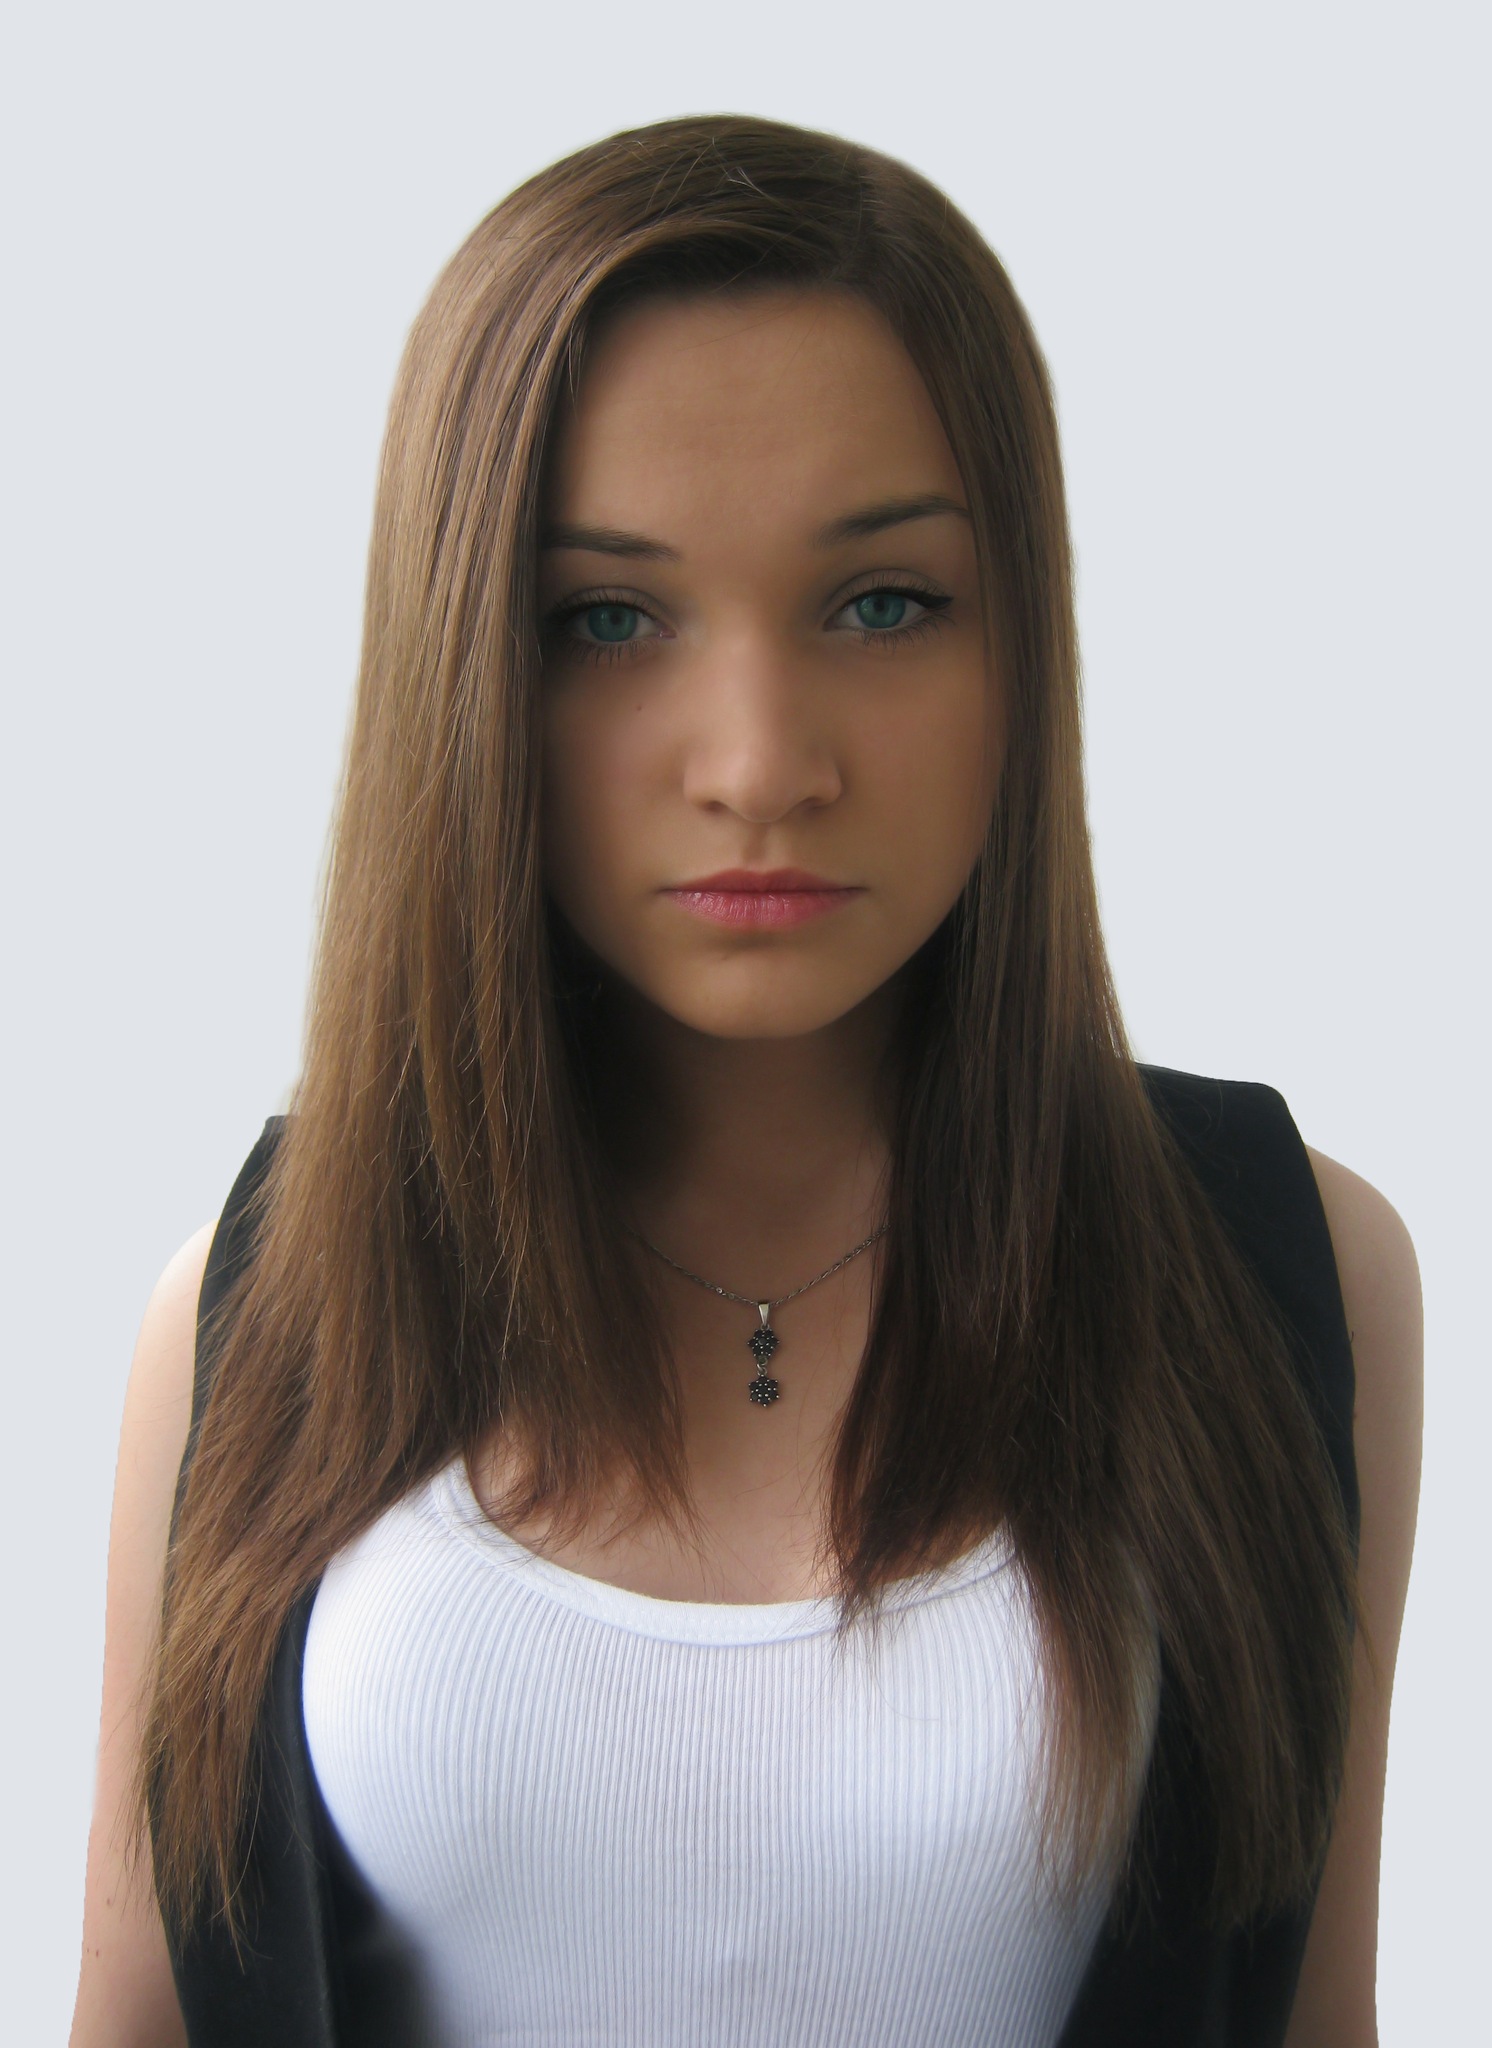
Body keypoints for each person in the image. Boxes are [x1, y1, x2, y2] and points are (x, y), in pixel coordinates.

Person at [69, 115, 1422, 2048]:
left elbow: (1316, 2018)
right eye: (607, 619)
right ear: (468, 666)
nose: (762, 764)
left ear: (1024, 640)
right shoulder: (253, 1298)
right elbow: (137, 2012)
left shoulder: (1288, 1264)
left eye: (882, 603)